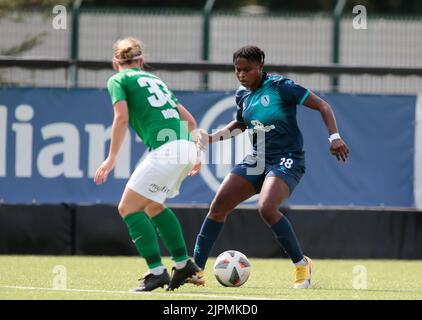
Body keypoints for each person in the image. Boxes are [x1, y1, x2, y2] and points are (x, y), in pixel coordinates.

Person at [191, 45, 350, 289]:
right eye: (237, 70)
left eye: (247, 70)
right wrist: (211, 138)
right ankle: (196, 271)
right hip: (258, 158)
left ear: (260, 67)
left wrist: (334, 137)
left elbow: (323, 106)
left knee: (266, 207)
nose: (241, 75)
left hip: (287, 158)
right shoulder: (242, 95)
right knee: (218, 206)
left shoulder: (281, 87)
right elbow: (240, 124)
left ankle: (301, 264)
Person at [94, 37, 202, 292]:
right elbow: (190, 119)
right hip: (185, 147)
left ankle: (157, 273)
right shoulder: (156, 80)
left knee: (128, 208)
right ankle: (183, 264)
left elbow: (121, 118)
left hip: (166, 151)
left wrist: (111, 159)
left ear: (115, 63)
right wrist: (195, 153)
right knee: (153, 206)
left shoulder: (117, 79)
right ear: (141, 61)